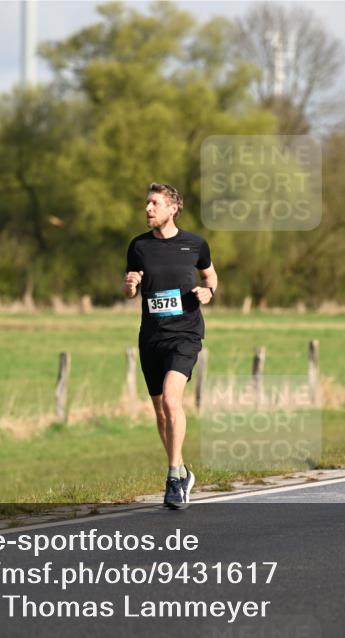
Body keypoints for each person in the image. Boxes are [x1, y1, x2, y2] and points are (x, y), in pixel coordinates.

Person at [124, 183, 218, 508]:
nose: (148, 209)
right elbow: (130, 289)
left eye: (154, 203)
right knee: (161, 412)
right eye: (146, 203)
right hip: (151, 337)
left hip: (185, 334)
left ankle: (174, 476)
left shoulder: (194, 244)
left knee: (171, 401)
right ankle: (182, 471)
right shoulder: (138, 246)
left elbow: (210, 276)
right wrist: (129, 285)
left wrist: (209, 292)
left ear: (172, 208)